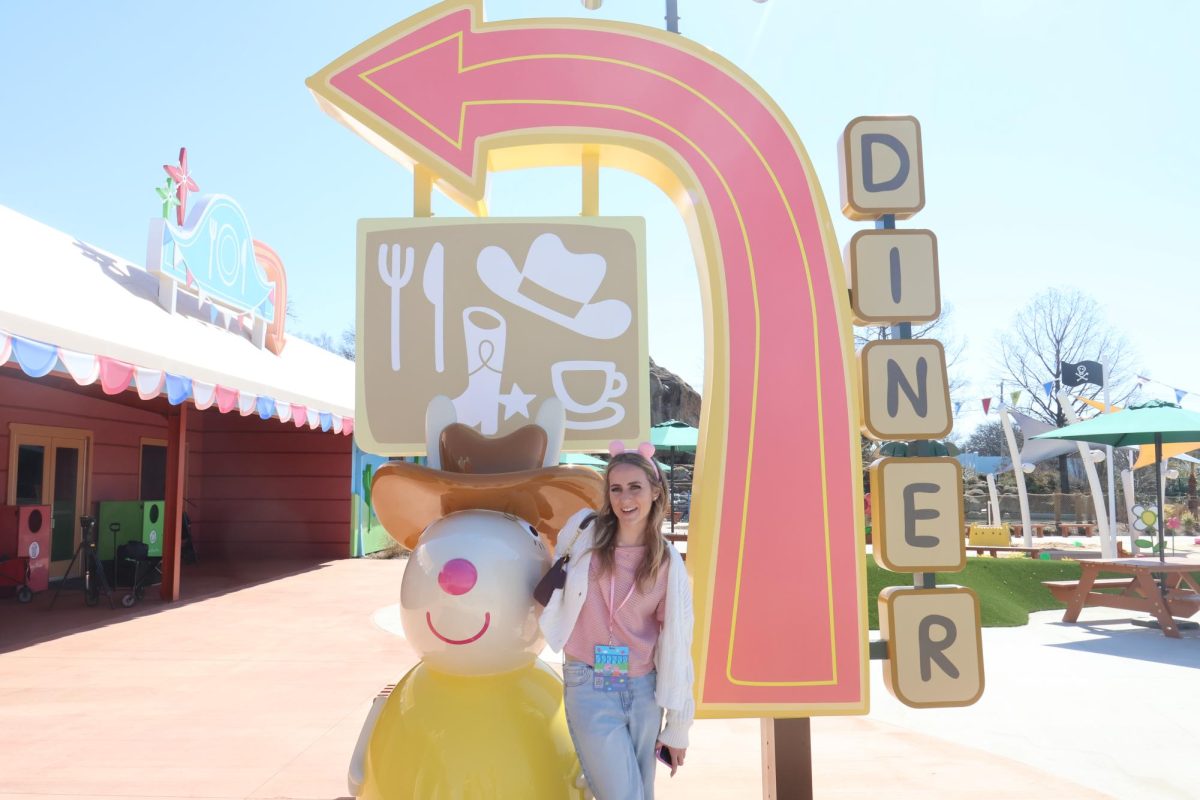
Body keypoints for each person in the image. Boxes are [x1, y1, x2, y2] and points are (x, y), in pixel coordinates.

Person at [539, 445, 695, 800]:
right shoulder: (584, 536)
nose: (625, 498)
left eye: (635, 487)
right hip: (590, 682)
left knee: (641, 792)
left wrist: (678, 726)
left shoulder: (667, 562)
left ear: (656, 492)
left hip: (644, 689)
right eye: (616, 488)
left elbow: (678, 642)